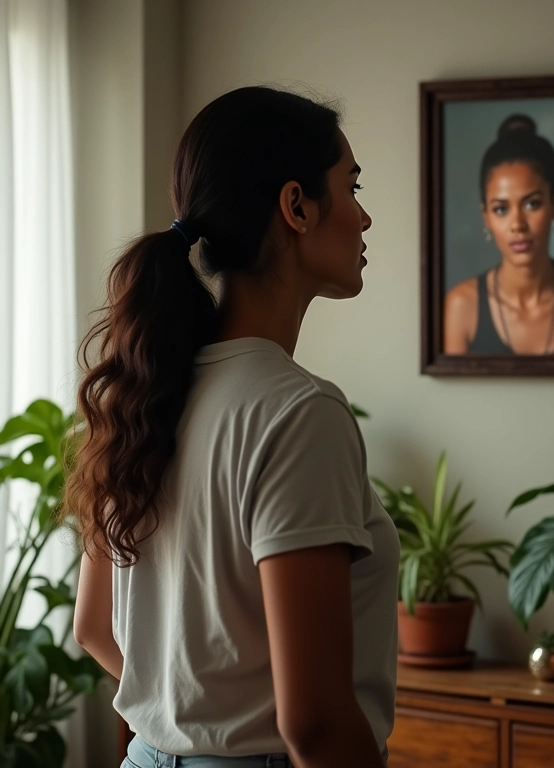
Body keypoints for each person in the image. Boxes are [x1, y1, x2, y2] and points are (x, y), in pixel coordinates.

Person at [66, 86, 398, 768]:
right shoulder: (298, 414)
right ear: (296, 206)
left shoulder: (150, 391)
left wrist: (188, 725)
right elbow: (315, 725)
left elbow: (95, 629)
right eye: (351, 186)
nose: (364, 217)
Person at [443, 114, 554, 356]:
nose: (517, 225)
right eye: (501, 209)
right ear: (486, 217)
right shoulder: (462, 305)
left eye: (532, 204)